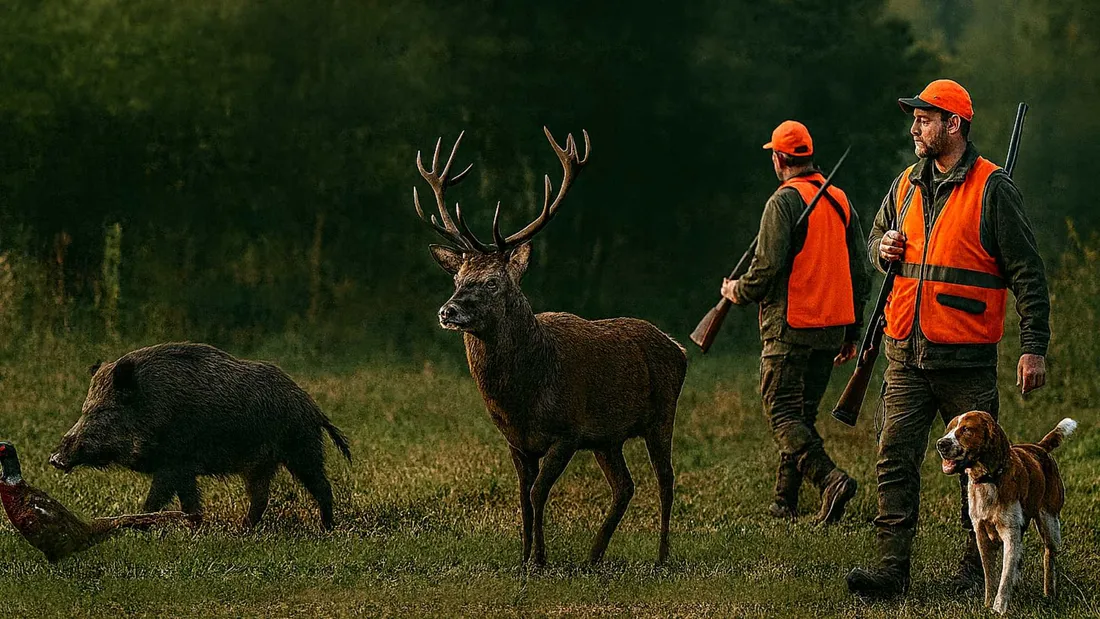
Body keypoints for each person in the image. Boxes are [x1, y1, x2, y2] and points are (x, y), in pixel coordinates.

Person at [846, 79, 1051, 598]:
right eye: (914, 118)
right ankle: (891, 572)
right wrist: (882, 247)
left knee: (984, 468)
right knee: (893, 460)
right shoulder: (905, 185)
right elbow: (875, 237)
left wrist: (1033, 347)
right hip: (905, 355)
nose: (914, 127)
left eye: (924, 118)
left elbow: (1027, 272)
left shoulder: (993, 188)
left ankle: (971, 572)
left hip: (966, 359)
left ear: (953, 124)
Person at [721, 120, 870, 523]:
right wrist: (852, 332)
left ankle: (830, 480)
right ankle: (783, 501)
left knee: (782, 414)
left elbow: (766, 267)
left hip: (790, 327)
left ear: (780, 158)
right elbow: (861, 273)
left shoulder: (782, 202)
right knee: (801, 414)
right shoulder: (840, 200)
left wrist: (737, 291)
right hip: (830, 330)